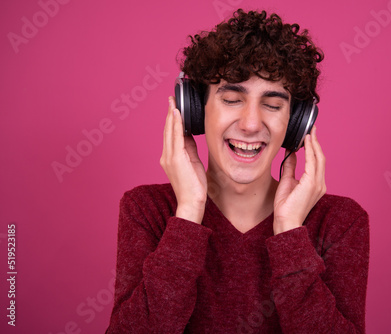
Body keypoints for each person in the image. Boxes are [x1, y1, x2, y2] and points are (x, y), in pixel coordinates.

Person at [106, 9, 369, 334]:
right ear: (196, 111)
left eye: (273, 105)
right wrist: (187, 215)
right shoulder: (147, 211)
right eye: (231, 99)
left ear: (296, 124)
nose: (250, 124)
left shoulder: (340, 222)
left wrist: (289, 234)